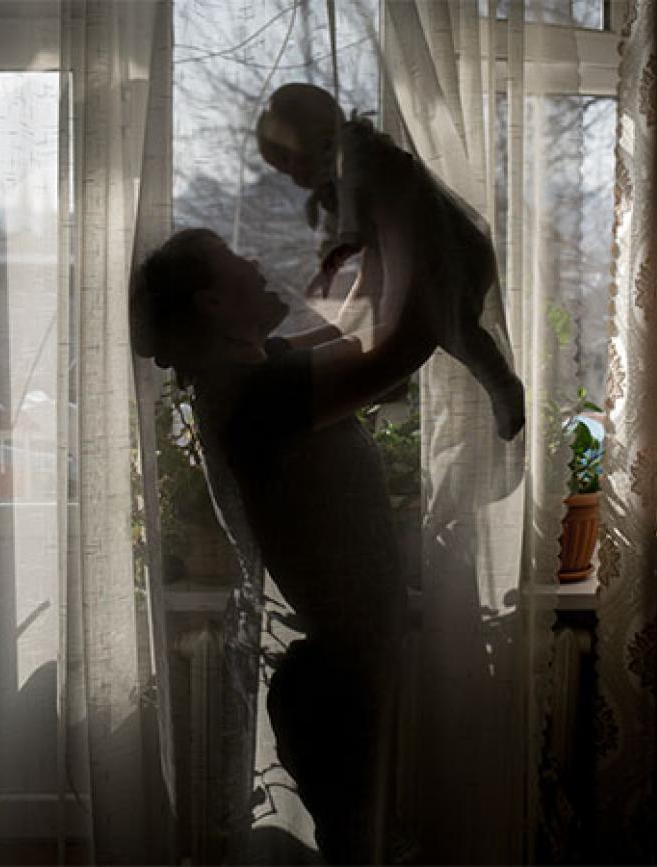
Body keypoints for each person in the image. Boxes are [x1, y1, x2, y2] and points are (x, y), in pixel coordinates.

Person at [130, 227, 435, 864]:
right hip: (331, 680)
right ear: (213, 303)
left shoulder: (253, 371)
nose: (257, 263)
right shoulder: (261, 397)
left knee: (365, 843)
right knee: (366, 848)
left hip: (332, 666)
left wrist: (383, 243)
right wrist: (432, 242)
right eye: (237, 261)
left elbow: (355, 330)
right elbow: (397, 347)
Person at [256, 82, 526, 441]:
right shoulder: (333, 183)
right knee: (369, 312)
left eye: (290, 159)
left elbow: (353, 194)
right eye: (282, 168)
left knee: (449, 323)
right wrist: (328, 258)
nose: (293, 175)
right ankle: (385, 379)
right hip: (417, 253)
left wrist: (348, 240)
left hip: (454, 251)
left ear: (316, 133)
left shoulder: (355, 148)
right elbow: (336, 221)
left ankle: (502, 385)